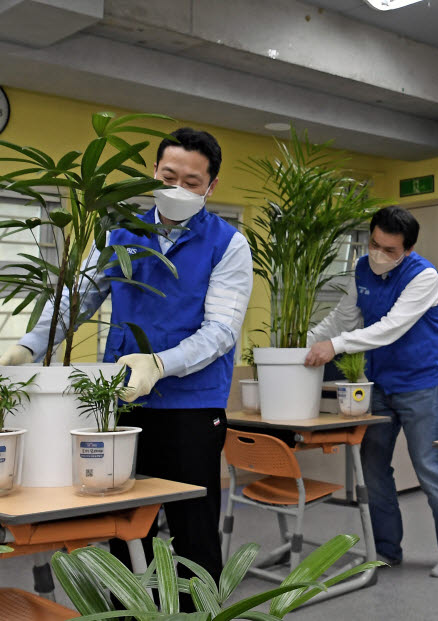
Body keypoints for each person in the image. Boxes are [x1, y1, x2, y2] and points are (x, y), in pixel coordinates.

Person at [0, 128, 252, 599]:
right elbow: (79, 301)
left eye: (192, 182)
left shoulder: (228, 244)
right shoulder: (120, 233)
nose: (178, 187)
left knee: (192, 532)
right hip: (118, 403)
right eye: (168, 175)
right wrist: (29, 346)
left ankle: (199, 611)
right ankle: (127, 609)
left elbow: (220, 331)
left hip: (191, 407)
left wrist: (160, 364)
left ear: (211, 186)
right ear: (152, 172)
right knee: (122, 526)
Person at [304, 206, 438, 577]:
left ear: (406, 250)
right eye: (374, 244)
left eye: (389, 249)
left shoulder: (423, 277)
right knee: (374, 469)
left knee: (430, 469)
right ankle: (386, 550)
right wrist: (302, 345)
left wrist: (336, 345)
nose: (378, 254)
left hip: (420, 383)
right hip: (379, 384)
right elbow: (344, 317)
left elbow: (390, 327)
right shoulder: (362, 269)